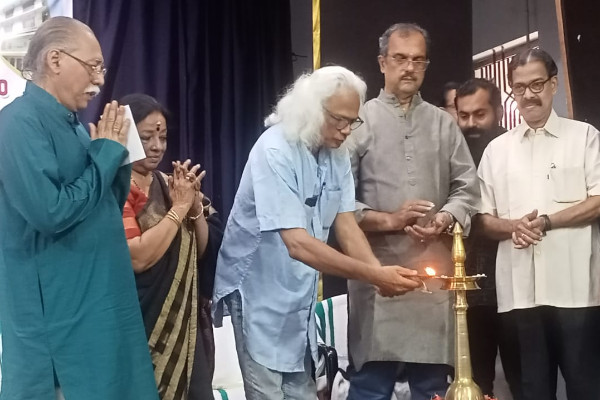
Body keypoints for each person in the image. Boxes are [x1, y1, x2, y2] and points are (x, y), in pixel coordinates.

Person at [212, 65, 421, 400]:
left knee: (302, 390)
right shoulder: (275, 150)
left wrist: (379, 275)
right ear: (312, 111)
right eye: (338, 120)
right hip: (258, 293)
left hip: (298, 293)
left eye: (352, 121)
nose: (346, 130)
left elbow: (346, 223)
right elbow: (297, 244)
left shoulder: (336, 155)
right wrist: (374, 274)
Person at [0, 17, 158, 399]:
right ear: (55, 60)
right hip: (60, 326)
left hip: (98, 308)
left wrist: (118, 157)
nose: (100, 80)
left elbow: (103, 208)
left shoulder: (73, 126)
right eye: (93, 66)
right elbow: (51, 212)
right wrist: (104, 155)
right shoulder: (18, 123)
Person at [476, 48, 600, 400]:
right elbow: (483, 220)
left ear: (554, 85)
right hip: (519, 295)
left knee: (587, 390)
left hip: (577, 291)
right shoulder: (496, 150)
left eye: (536, 84)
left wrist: (546, 221)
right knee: (531, 393)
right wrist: (513, 227)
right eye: (519, 87)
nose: (528, 95)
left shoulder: (584, 137)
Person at [346, 23, 480, 400]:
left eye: (418, 60)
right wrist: (388, 219)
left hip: (432, 277)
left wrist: (445, 218)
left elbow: (468, 188)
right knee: (370, 387)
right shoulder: (358, 122)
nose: (409, 68)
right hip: (376, 272)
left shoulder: (443, 124)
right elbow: (337, 202)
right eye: (400, 58)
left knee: (431, 386)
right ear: (382, 63)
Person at [120, 93, 223, 400]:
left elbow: (201, 252)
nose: (157, 146)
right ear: (125, 136)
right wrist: (178, 209)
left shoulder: (171, 184)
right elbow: (137, 258)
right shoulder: (116, 187)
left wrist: (194, 209)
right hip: (139, 325)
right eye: (146, 137)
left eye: (162, 137)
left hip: (183, 329)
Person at [455, 78, 521, 399]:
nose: (471, 123)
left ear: (498, 111)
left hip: (517, 286)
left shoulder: (517, 151)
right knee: (474, 381)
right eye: (464, 115)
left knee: (524, 379)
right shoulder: (452, 156)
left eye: (480, 114)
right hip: (469, 291)